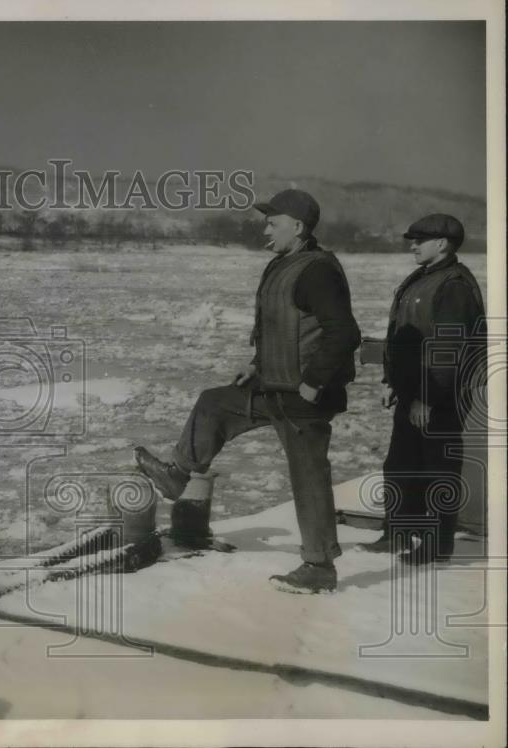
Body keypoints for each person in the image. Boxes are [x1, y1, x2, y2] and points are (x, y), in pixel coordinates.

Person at [135, 189, 361, 593]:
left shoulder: (317, 271)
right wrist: (256, 364)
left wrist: (314, 382)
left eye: (272, 223)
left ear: (298, 226)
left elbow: (344, 333)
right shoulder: (283, 265)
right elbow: (279, 329)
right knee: (215, 403)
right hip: (271, 386)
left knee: (308, 478)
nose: (265, 229)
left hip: (304, 398)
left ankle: (319, 566)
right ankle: (177, 474)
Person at [360, 214, 485, 564]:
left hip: (439, 398)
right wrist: (395, 383)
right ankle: (397, 533)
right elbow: (404, 335)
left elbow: (448, 349)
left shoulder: (454, 285)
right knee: (400, 465)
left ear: (442, 243)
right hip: (415, 393)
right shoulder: (425, 278)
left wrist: (428, 399)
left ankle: (437, 544)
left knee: (437, 470)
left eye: (419, 239)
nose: (412, 245)